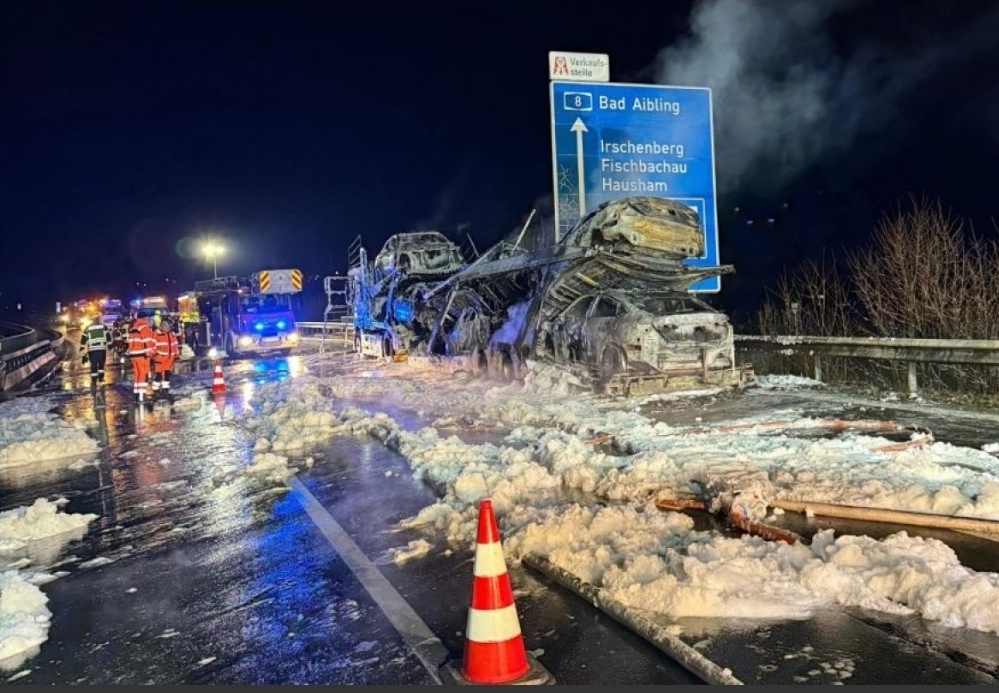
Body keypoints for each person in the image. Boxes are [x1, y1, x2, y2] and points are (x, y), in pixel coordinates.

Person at [126, 316, 157, 402]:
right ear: (147, 320)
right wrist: (151, 354)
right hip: (142, 355)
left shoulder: (134, 327)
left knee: (137, 374)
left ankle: (136, 393)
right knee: (143, 374)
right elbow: (148, 342)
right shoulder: (145, 328)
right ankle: (141, 395)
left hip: (133, 355)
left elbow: (130, 343)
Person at [151, 319, 180, 397]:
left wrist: (176, 355)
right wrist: (155, 355)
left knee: (167, 374)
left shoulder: (172, 334)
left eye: (168, 326)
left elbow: (175, 344)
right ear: (161, 326)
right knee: (158, 375)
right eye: (164, 326)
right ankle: (155, 389)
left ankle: (165, 389)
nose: (166, 327)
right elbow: (152, 345)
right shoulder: (156, 333)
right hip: (159, 358)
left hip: (169, 358)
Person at [79, 319, 110, 387]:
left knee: (93, 365)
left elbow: (84, 337)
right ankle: (101, 379)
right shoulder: (103, 326)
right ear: (98, 320)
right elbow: (108, 336)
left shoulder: (88, 327)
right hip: (102, 349)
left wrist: (82, 347)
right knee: (101, 365)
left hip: (92, 350)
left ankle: (93, 381)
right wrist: (110, 345)